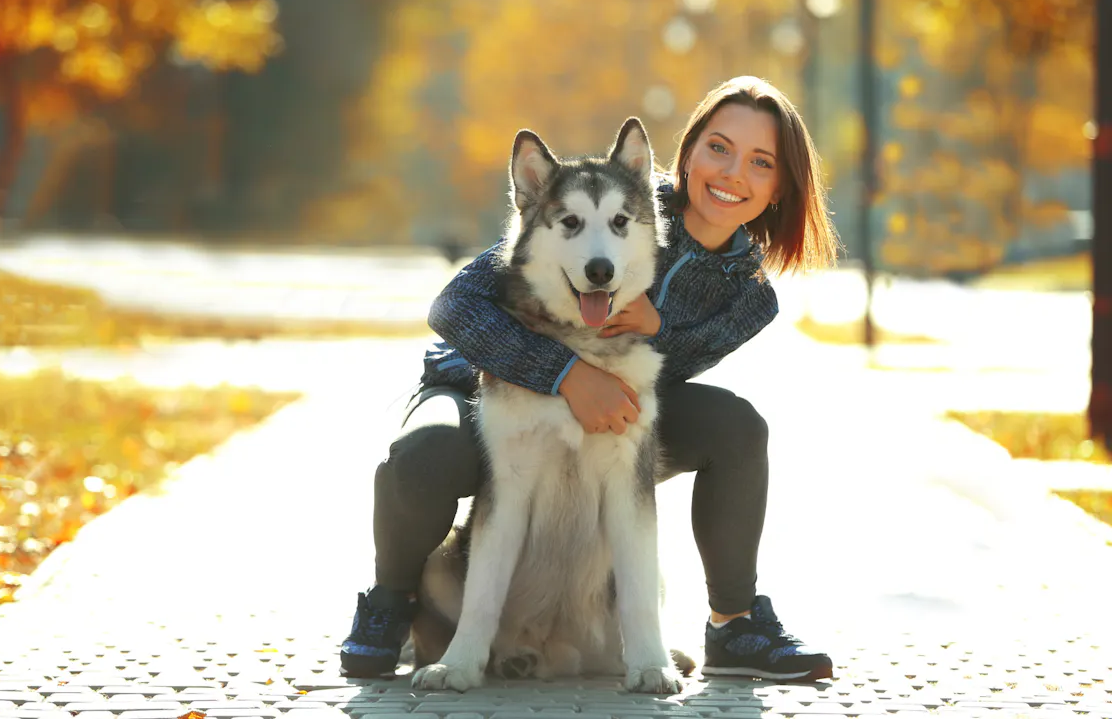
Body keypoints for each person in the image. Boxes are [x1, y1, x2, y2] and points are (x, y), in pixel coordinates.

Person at [340, 76, 841, 683]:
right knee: (424, 452)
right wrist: (565, 375)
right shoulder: (603, 196)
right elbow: (455, 306)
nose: (733, 172)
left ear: (781, 185)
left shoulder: (750, 298)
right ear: (687, 154)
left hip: (623, 394)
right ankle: (392, 603)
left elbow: (669, 368)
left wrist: (653, 328)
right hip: (482, 376)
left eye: (760, 162)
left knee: (737, 425)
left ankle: (734, 624)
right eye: (719, 147)